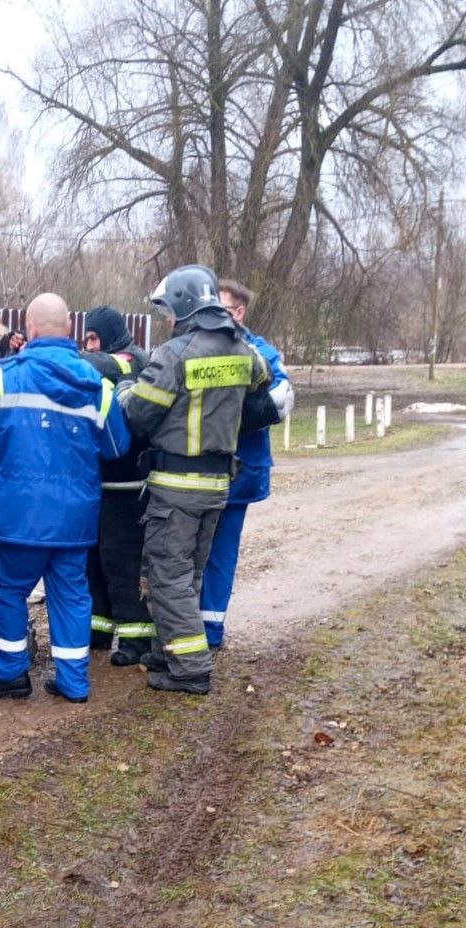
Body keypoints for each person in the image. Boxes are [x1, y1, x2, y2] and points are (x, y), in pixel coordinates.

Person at [117, 265, 270, 694]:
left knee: (167, 575)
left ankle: (191, 668)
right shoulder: (243, 349)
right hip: (218, 485)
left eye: (168, 310)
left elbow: (138, 414)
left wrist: (128, 386)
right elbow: (264, 380)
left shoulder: (174, 354)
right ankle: (170, 652)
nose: (167, 319)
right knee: (191, 575)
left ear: (184, 305)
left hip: (177, 486)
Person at [0, 293, 131, 703]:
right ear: (71, 331)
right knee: (72, 596)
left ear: (32, 329)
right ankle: (73, 682)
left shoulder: (0, 377)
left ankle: (10, 675)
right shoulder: (100, 387)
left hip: (18, 517)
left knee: (8, 592)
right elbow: (116, 447)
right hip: (75, 520)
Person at [200, 279, 294, 650]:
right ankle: (185, 625)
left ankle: (209, 629)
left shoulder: (260, 352)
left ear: (237, 312)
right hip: (200, 465)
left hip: (238, 469)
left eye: (218, 308)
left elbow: (283, 398)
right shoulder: (202, 345)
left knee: (220, 551)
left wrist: (227, 417)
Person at [81, 305, 154, 666]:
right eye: (86, 339)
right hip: (106, 480)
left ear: (110, 335)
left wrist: (56, 354)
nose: (90, 346)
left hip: (130, 481)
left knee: (123, 561)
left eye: (93, 338)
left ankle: (137, 639)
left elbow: (110, 367)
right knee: (97, 560)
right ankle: (99, 630)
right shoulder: (110, 358)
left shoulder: (133, 360)